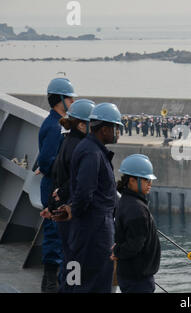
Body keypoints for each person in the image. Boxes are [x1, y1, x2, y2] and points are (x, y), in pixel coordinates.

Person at [53, 102, 123, 293]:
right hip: (95, 230)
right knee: (94, 280)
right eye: (116, 128)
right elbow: (84, 192)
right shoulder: (92, 153)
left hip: (88, 226)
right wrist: (75, 211)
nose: (118, 133)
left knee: (75, 276)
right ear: (105, 129)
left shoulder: (90, 148)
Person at [41, 99, 95, 292]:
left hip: (65, 211)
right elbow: (77, 184)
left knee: (69, 259)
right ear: (82, 124)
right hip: (73, 216)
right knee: (75, 262)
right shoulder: (81, 148)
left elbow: (58, 178)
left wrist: (53, 203)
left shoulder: (68, 142)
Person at [36, 77, 76, 293]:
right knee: (54, 234)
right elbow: (46, 160)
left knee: (59, 233)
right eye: (70, 97)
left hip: (55, 186)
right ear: (60, 99)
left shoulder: (55, 123)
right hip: (54, 187)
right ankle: (50, 283)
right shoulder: (54, 126)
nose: (72, 100)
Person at [111, 154, 161, 293]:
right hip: (138, 279)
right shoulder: (137, 209)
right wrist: (117, 251)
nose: (150, 183)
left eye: (150, 179)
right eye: (146, 179)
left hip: (130, 275)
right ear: (132, 180)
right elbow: (134, 245)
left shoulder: (126, 201)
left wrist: (118, 250)